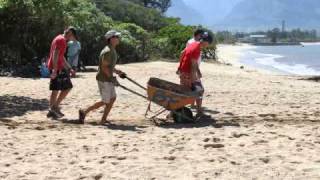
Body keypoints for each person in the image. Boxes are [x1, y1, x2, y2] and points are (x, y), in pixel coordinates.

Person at [78, 30, 125, 125]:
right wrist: (112, 78)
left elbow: (109, 66)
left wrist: (117, 72)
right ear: (111, 39)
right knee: (106, 100)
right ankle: (84, 111)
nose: (118, 38)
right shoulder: (108, 51)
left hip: (107, 78)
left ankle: (103, 119)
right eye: (116, 37)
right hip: (104, 79)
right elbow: (104, 67)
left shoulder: (111, 49)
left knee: (112, 98)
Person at [177, 33, 213, 118]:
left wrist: (198, 71)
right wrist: (193, 79)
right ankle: (173, 112)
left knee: (196, 90)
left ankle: (199, 111)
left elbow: (183, 53)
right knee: (195, 91)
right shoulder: (197, 49)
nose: (207, 46)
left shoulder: (193, 44)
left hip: (184, 71)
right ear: (206, 42)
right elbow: (193, 64)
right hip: (187, 73)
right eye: (208, 44)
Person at [47, 26, 77, 119]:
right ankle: (54, 108)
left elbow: (61, 56)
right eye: (73, 36)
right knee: (65, 87)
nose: (72, 39)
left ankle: (53, 109)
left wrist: (69, 68)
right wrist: (55, 70)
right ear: (70, 34)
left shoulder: (59, 38)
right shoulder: (62, 40)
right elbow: (55, 54)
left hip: (57, 67)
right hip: (56, 68)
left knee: (57, 89)